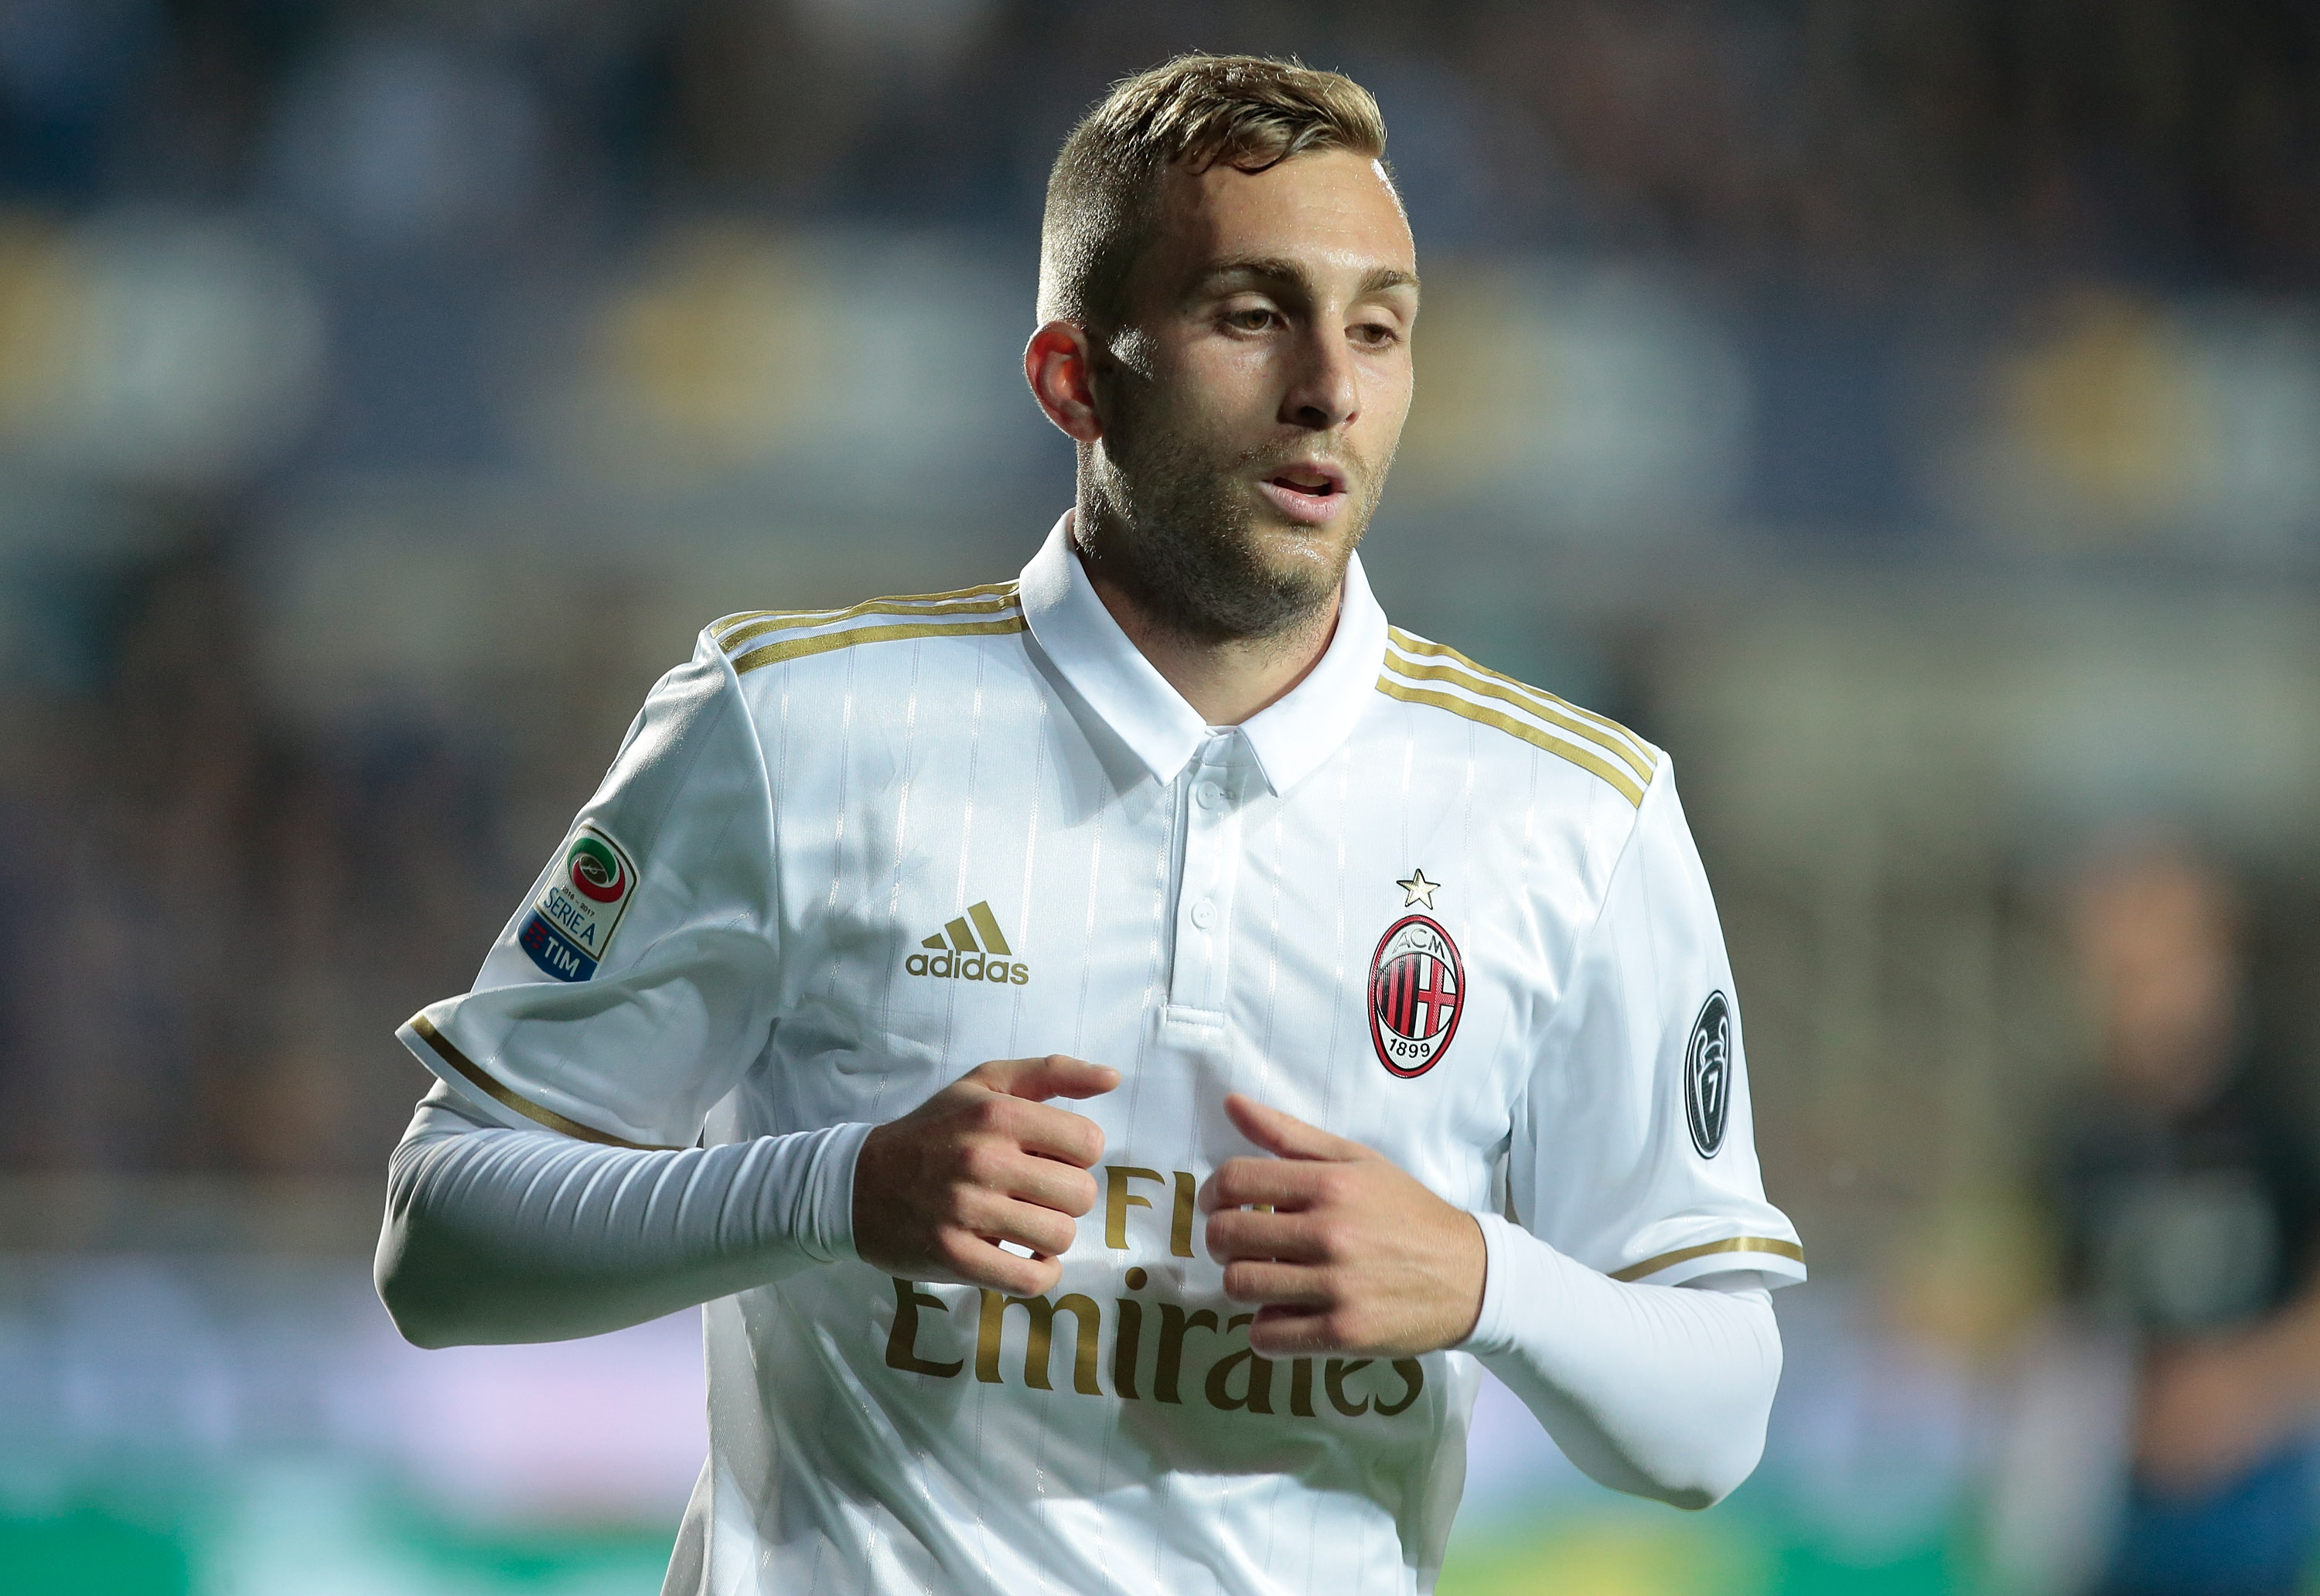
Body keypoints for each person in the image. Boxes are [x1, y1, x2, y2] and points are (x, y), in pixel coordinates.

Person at [374, 55, 1804, 1596]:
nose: (1328, 386)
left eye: (1378, 328)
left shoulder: (1576, 814)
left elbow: (1713, 1416)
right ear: (1074, 378)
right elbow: (439, 1244)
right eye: (1252, 315)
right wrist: (831, 1190)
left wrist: (1482, 1279)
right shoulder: (797, 725)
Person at [2039, 838, 2320, 1596]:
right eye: (2115, 975)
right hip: (2114, 1487)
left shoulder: (2279, 1118)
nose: (2135, 1000)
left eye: (2153, 969)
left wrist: (2247, 1386)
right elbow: (2055, 1305)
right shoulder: (2083, 1133)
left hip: (2255, 1485)